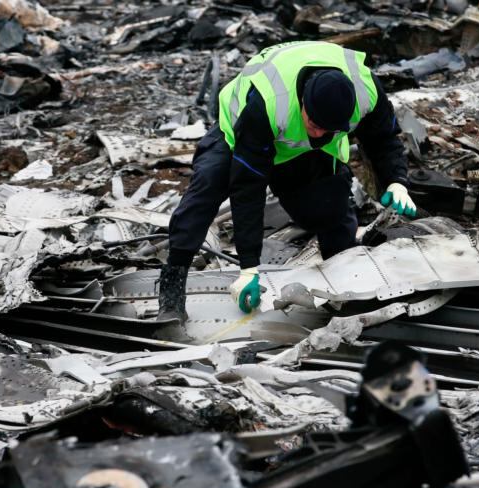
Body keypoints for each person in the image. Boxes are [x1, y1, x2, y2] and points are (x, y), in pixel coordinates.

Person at [158, 41, 417, 321]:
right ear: (303, 101)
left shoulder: (367, 91)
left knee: (331, 209)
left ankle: (345, 290)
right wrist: (249, 269)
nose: (319, 134)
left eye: (329, 129)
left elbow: (383, 138)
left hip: (299, 151)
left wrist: (396, 181)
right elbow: (248, 189)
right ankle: (172, 291)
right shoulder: (268, 103)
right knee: (205, 192)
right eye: (315, 125)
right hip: (238, 137)